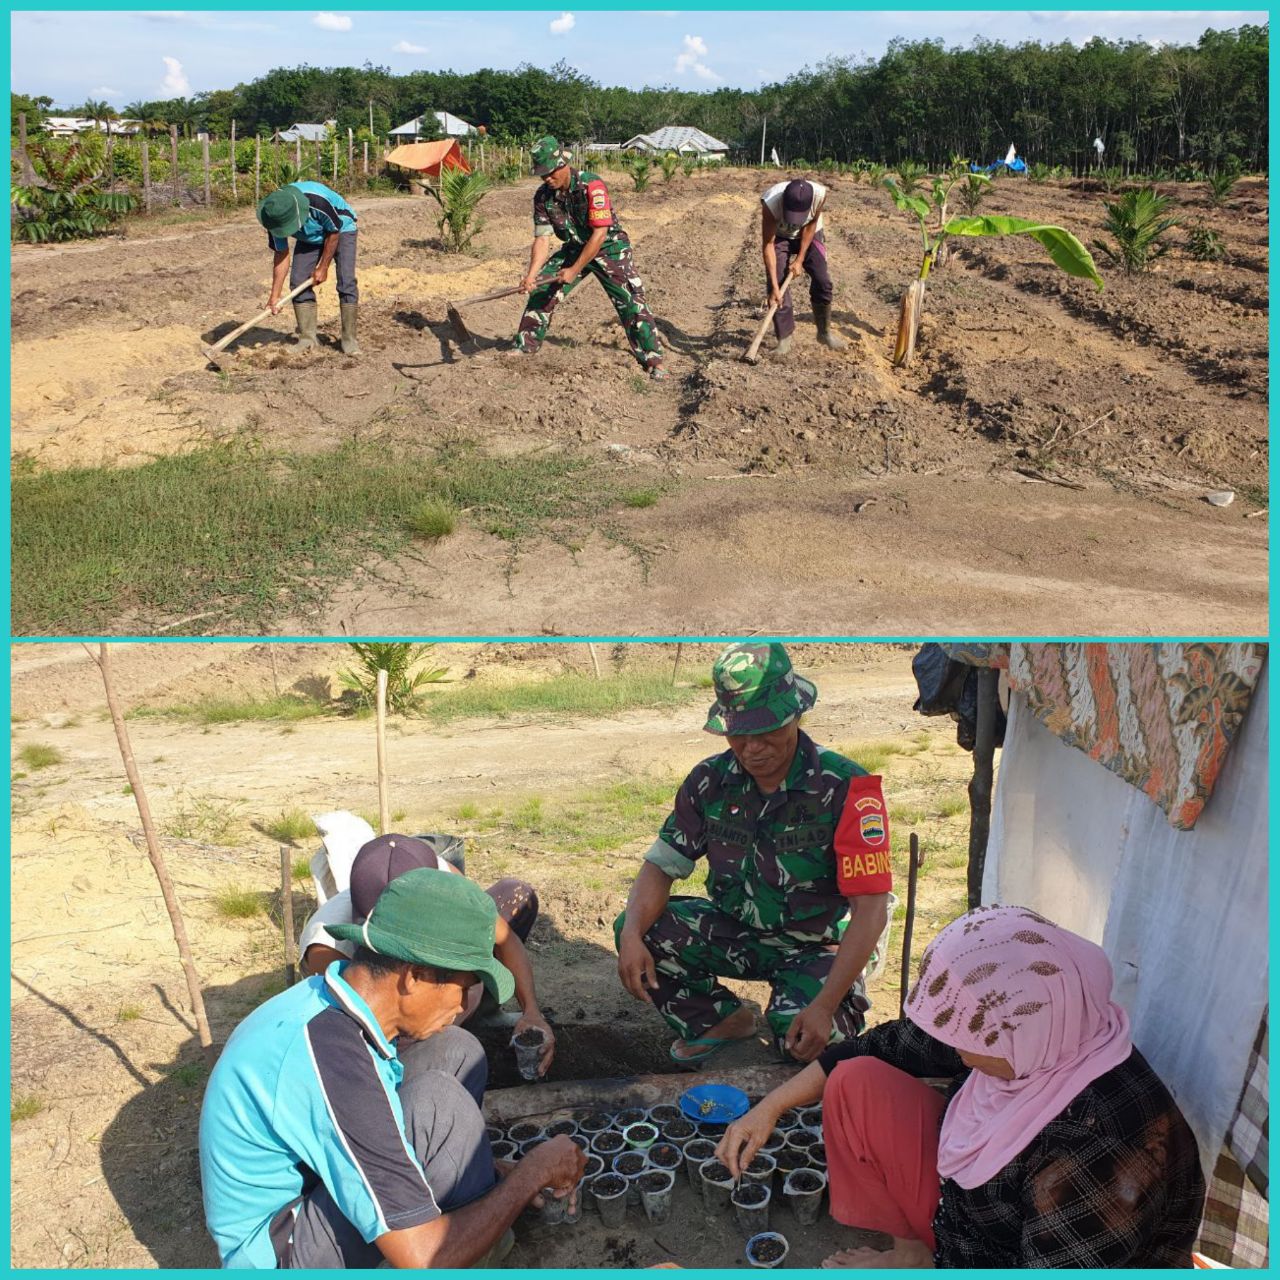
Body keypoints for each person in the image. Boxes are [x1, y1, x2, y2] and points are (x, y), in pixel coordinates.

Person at [716, 905, 1206, 1268]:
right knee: (857, 1080)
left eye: (967, 1039)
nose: (954, 1047)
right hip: (972, 1220)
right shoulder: (1035, 1031)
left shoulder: (1101, 1151)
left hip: (1012, 1256)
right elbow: (880, 1046)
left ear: (1022, 1033)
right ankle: (913, 1254)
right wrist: (770, 1107)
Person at [199, 868, 585, 1268]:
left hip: (318, 1184)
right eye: (462, 987)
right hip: (281, 1248)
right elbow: (424, 1257)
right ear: (414, 976)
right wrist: (530, 1175)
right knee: (441, 1107)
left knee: (456, 1050)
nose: (462, 1005)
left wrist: (499, 1173)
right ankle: (471, 1249)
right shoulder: (329, 1055)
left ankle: (462, 1203)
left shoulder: (334, 1003)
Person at [615, 641, 891, 1066]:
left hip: (819, 946)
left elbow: (870, 909)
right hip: (738, 932)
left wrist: (823, 1006)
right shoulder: (709, 781)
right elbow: (661, 865)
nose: (751, 748)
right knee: (638, 928)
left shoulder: (846, 787)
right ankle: (721, 1021)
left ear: (794, 715)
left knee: (807, 1043)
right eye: (739, 734)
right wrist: (632, 935)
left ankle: (822, 1007)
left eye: (765, 731)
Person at [298, 833, 556, 1076]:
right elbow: (352, 1034)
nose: (462, 1002)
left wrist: (531, 1012)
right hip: (391, 1010)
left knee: (516, 896)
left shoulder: (439, 874)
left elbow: (506, 939)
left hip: (422, 987)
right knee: (450, 1046)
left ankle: (480, 1013)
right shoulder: (326, 945)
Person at [513, 136, 666, 379]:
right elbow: (542, 239)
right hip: (575, 246)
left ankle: (653, 359)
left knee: (631, 301)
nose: (547, 179)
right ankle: (525, 346)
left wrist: (574, 270)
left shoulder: (591, 185)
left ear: (563, 164)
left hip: (609, 248)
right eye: (542, 175)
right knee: (542, 289)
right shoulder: (543, 197)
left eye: (550, 173)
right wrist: (531, 276)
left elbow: (599, 234)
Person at [257, 179, 360, 356]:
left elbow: (334, 231)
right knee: (298, 281)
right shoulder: (273, 215)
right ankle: (308, 339)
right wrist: (274, 296)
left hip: (341, 228)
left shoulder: (317, 200)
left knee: (346, 281)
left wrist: (323, 267)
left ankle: (349, 340)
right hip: (309, 237)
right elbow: (281, 254)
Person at [761, 177, 846, 357]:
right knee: (778, 282)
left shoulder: (820, 195)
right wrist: (774, 287)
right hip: (779, 236)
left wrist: (800, 259)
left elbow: (811, 224)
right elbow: (768, 244)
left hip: (809, 234)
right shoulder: (771, 203)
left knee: (823, 281)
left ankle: (824, 333)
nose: (795, 221)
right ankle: (784, 339)